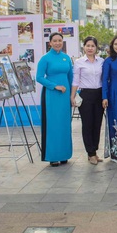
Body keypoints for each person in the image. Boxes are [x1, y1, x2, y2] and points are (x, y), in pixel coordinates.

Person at [36, 33, 73, 167]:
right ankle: (53, 156)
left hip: (65, 96)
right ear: (50, 43)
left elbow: (71, 77)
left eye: (60, 41)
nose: (57, 43)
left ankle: (64, 155)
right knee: (53, 124)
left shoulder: (66, 58)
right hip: (51, 96)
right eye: (55, 41)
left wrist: (73, 95)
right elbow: (39, 77)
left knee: (64, 124)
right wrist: (54, 86)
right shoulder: (45, 59)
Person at [71, 36, 105, 165]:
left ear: (96, 48)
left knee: (97, 124)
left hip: (99, 94)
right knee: (87, 124)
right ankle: (90, 153)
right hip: (86, 94)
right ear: (84, 47)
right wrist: (72, 96)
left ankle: (95, 151)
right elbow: (75, 80)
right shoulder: (79, 62)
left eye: (92, 46)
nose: (90, 48)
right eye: (87, 45)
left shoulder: (102, 61)